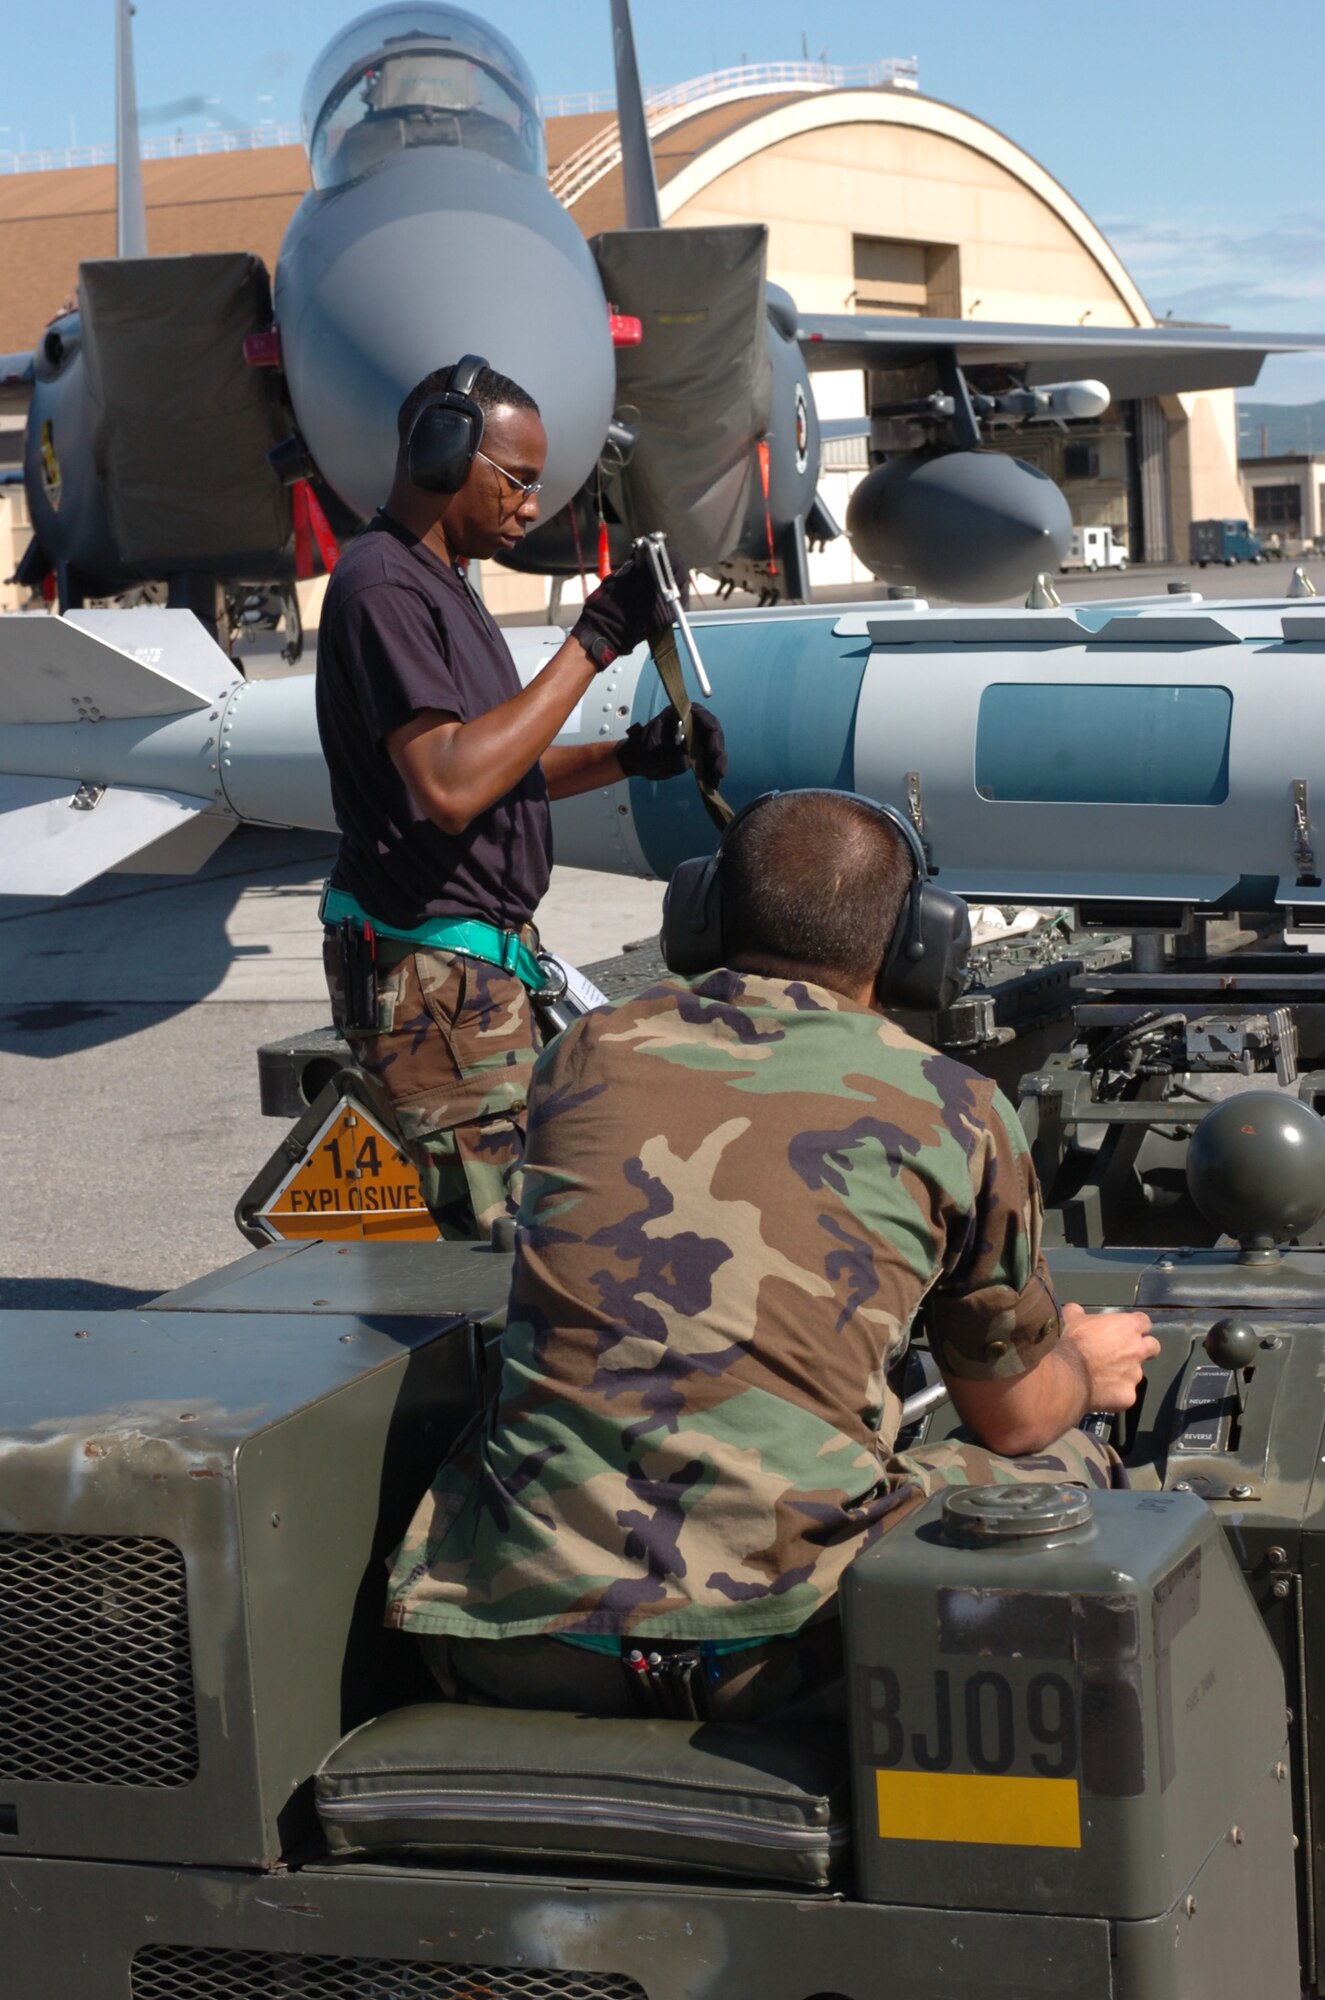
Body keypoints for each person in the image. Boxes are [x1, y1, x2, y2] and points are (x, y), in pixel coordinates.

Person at [385, 790, 1157, 1722]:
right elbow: (1016, 1421)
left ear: (700, 914)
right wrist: (1085, 1367)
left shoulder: (588, 1051)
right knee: (1069, 1465)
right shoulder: (956, 1107)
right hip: (792, 1649)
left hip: (513, 1641)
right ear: (920, 944)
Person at [315, 356, 726, 1239]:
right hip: (434, 982)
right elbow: (453, 786)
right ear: (442, 454)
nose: (532, 508)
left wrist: (630, 756)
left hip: (472, 972)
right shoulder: (384, 586)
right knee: (508, 1251)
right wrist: (594, 642)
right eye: (520, 481)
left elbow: (494, 766)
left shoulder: (439, 586)